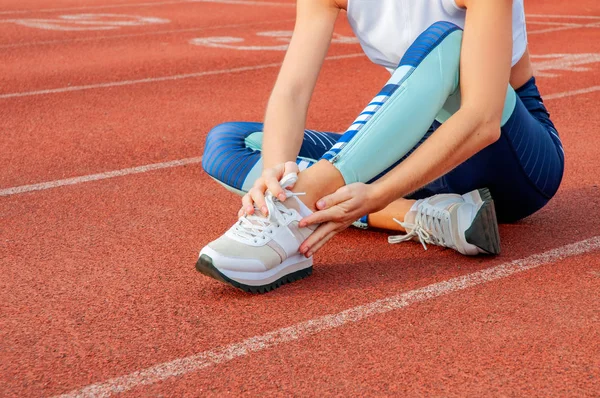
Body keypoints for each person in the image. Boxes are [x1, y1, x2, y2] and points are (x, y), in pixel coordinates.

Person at [196, 0, 564, 293]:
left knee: (447, 39)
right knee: (231, 144)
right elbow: (292, 92)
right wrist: (276, 174)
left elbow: (482, 119)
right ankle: (416, 215)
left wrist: (376, 192)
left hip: (511, 159)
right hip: (418, 151)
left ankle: (297, 207)